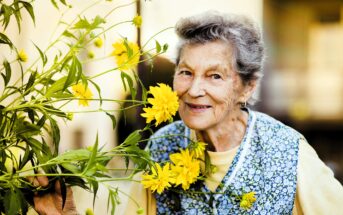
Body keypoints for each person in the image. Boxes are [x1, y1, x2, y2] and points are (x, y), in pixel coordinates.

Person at [33, 11, 343, 215]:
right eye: (185, 72)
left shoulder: (287, 151)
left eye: (215, 76)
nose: (194, 89)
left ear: (247, 88)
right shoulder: (159, 148)